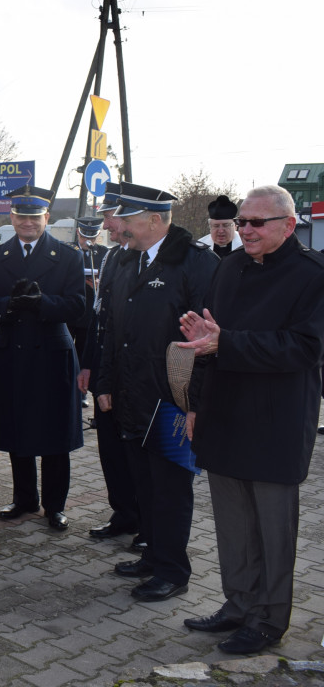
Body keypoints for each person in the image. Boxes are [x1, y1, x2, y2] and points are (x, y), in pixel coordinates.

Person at [178, 185, 324, 654]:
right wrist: (194, 404)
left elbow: (305, 347)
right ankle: (238, 605)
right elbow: (210, 343)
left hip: (275, 423)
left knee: (272, 530)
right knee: (233, 525)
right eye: (241, 222)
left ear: (289, 223)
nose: (245, 230)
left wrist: (227, 344)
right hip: (222, 414)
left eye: (256, 223)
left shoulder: (313, 276)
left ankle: (268, 620)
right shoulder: (230, 268)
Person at [94, 182, 218, 602]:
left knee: (169, 489)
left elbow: (206, 343)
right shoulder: (128, 260)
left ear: (155, 219)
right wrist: (105, 383)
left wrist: (195, 405)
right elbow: (113, 329)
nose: (118, 227)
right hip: (132, 393)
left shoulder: (195, 263)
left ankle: (172, 570)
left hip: (171, 400)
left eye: (124, 219)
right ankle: (152, 554)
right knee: (143, 483)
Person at [0, 184, 86, 531]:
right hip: (13, 353)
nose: (28, 223)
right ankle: (25, 499)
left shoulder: (68, 257)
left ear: (46, 218)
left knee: (54, 434)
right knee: (17, 428)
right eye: (22, 217)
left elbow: (78, 306)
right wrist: (9, 306)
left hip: (51, 355)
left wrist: (42, 304)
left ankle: (55, 506)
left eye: (35, 217)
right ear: (13, 217)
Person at [78, 183, 141, 546]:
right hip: (105, 370)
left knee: (137, 456)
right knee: (111, 451)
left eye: (109, 217)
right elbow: (99, 320)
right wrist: (88, 365)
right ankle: (124, 514)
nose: (106, 225)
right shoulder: (113, 257)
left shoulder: (151, 259)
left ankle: (147, 525)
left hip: (134, 375)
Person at [69, 216, 108, 408]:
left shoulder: (104, 253)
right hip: (70, 312)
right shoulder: (68, 251)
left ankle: (81, 391)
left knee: (85, 353)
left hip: (90, 314)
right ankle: (66, 387)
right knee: (68, 353)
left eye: (92, 236)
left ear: (99, 234)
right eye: (84, 236)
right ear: (78, 232)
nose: (88, 240)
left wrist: (99, 285)